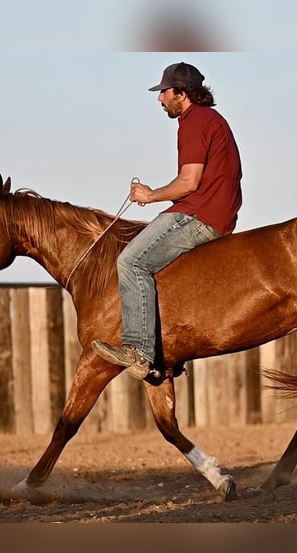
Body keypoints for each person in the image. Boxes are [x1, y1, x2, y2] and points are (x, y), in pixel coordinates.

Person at [92, 62, 243, 379]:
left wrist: (149, 195)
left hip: (198, 213)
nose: (160, 99)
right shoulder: (212, 120)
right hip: (215, 211)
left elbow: (189, 182)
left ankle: (138, 352)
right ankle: (167, 353)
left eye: (164, 92)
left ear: (182, 94)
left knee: (131, 262)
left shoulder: (194, 122)